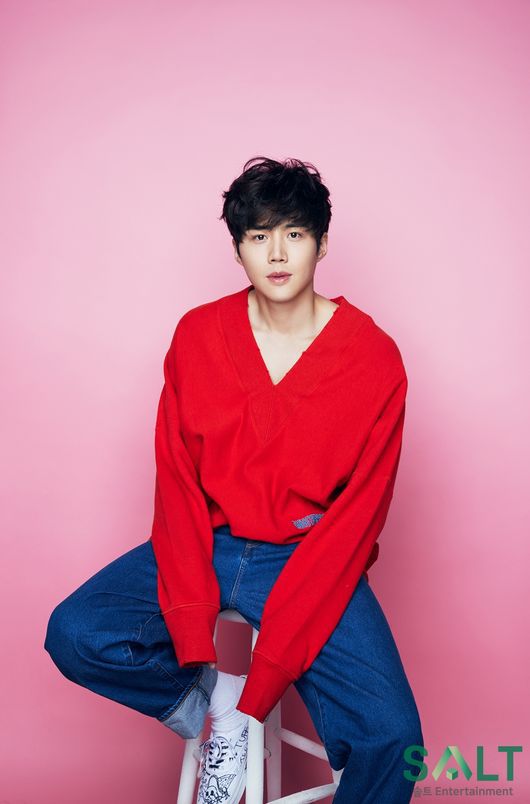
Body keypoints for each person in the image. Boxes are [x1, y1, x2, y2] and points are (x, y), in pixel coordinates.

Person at [44, 156, 424, 803]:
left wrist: (273, 668)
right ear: (238, 249)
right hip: (205, 541)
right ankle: (216, 705)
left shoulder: (374, 358)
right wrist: (212, 669)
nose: (276, 253)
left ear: (322, 243)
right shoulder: (197, 335)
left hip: (310, 555)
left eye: (294, 234)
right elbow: (176, 478)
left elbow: (361, 512)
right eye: (258, 236)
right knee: (77, 632)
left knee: (393, 737)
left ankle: (239, 713)